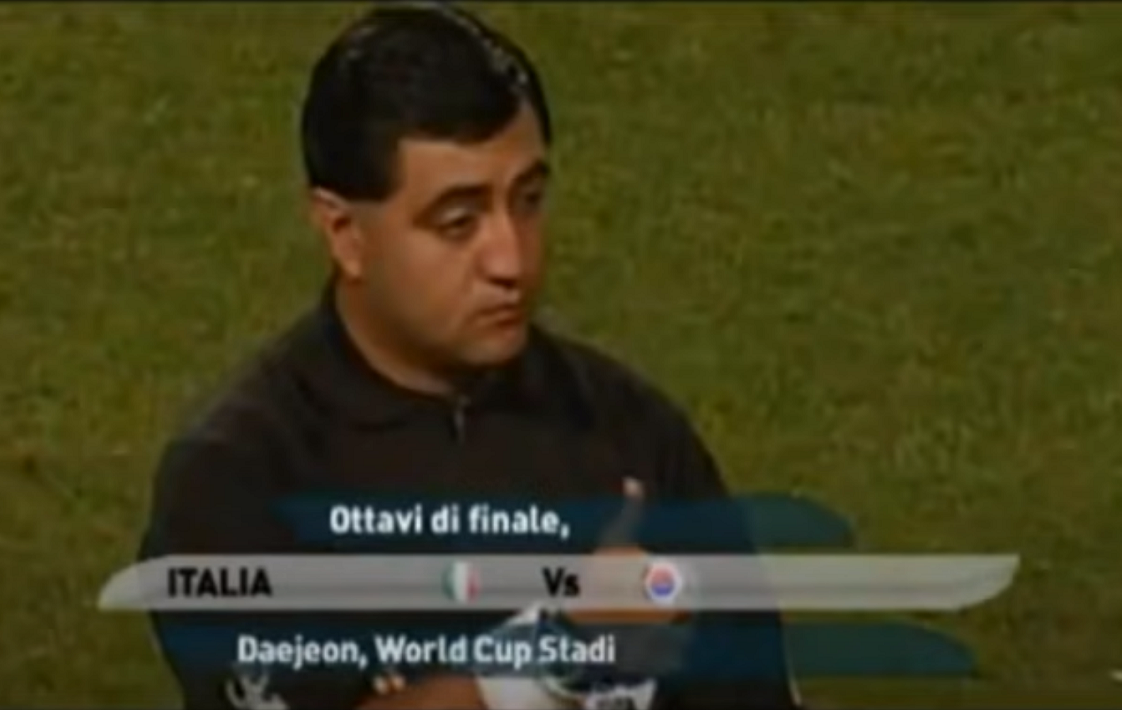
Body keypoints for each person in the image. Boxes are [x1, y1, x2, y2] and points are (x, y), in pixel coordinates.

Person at [139, 4, 803, 709]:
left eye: (528, 201)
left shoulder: (630, 433)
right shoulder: (240, 478)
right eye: (459, 222)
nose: (510, 260)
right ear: (344, 234)